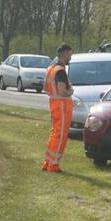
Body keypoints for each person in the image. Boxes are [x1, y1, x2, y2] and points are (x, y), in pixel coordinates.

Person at [42, 44, 74, 173]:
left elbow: (45, 87)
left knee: (55, 133)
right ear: (64, 54)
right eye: (70, 54)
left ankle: (48, 161)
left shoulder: (51, 68)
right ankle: (54, 165)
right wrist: (70, 91)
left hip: (54, 103)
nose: (70, 57)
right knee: (60, 135)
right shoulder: (60, 71)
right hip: (62, 105)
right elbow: (62, 91)